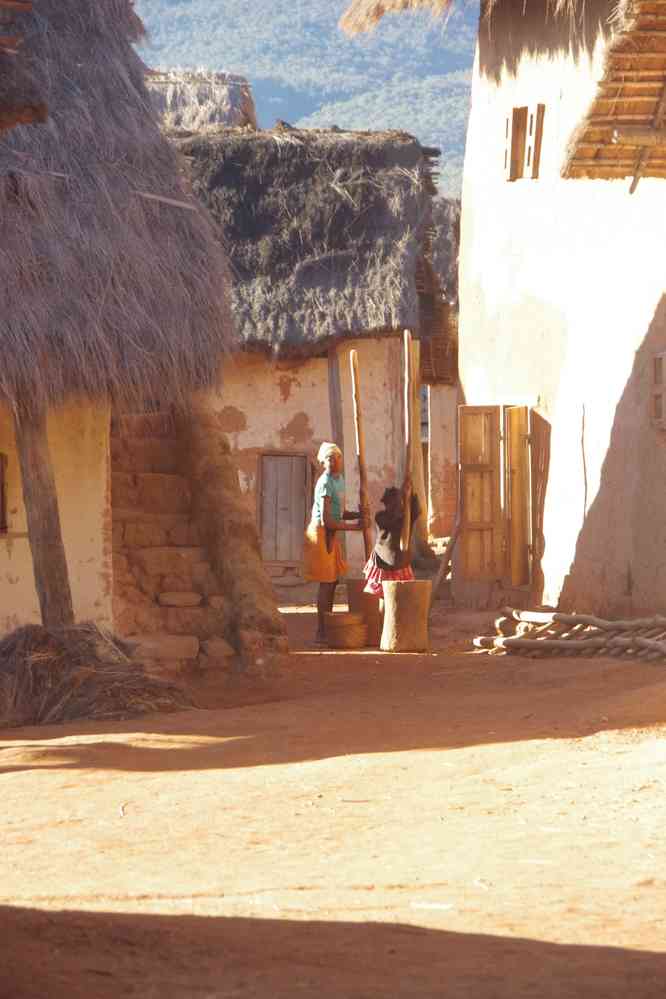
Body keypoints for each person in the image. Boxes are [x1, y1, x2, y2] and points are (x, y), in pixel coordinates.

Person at [303, 442, 366, 645]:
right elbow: (327, 520)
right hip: (321, 533)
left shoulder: (339, 480)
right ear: (323, 462)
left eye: (336, 457)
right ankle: (321, 631)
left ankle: (326, 627)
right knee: (326, 583)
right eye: (329, 458)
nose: (333, 461)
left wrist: (358, 514)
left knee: (332, 582)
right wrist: (355, 527)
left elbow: (339, 513)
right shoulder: (325, 482)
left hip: (331, 534)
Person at [362, 480, 421, 601]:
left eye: (399, 503)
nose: (396, 506)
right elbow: (395, 522)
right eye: (392, 503)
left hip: (400, 563)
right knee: (383, 596)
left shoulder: (407, 517)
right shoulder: (381, 517)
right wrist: (406, 508)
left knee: (398, 597)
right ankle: (383, 618)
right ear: (386, 505)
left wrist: (411, 493)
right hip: (382, 563)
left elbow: (417, 510)